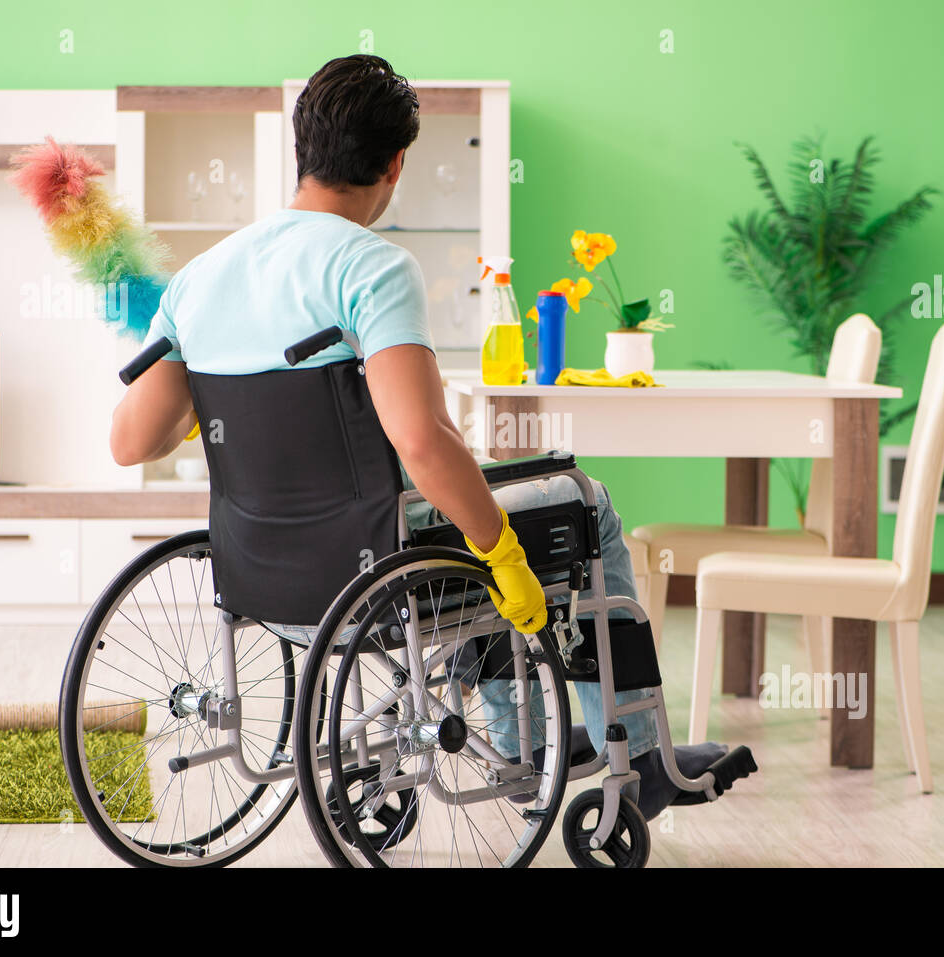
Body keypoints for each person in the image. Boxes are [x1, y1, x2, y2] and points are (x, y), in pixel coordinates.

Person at [108, 53, 722, 820]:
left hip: (262, 579)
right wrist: (501, 551)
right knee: (575, 504)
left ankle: (522, 738)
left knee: (478, 500)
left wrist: (217, 365)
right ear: (397, 162)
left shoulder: (200, 278)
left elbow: (131, 441)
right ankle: (637, 751)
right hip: (374, 564)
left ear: (301, 147)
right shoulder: (373, 267)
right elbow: (423, 442)